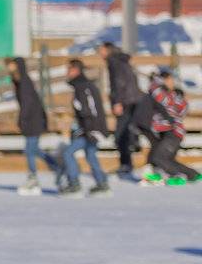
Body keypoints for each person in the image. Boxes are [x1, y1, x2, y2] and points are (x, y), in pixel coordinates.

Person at [58, 58, 110, 197]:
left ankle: (74, 185)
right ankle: (102, 184)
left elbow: (90, 110)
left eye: (69, 69)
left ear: (75, 70)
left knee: (68, 153)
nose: (67, 72)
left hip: (91, 129)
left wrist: (89, 129)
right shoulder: (81, 86)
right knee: (90, 155)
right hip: (90, 128)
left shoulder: (83, 87)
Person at [98, 41, 144, 179]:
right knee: (125, 131)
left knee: (120, 135)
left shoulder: (113, 61)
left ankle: (126, 164)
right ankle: (133, 143)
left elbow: (118, 82)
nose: (100, 53)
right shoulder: (121, 59)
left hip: (125, 101)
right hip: (133, 100)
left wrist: (117, 101)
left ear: (108, 50)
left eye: (101, 50)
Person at [145, 68, 198, 186]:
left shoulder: (169, 95)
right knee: (167, 159)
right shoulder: (168, 95)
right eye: (169, 80)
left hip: (172, 132)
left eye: (171, 80)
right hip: (168, 132)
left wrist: (155, 80)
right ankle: (193, 174)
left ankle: (177, 176)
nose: (171, 82)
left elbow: (156, 93)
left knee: (158, 158)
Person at [5, 57, 49, 195]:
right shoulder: (19, 81)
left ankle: (33, 179)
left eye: (11, 66)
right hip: (32, 119)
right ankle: (58, 167)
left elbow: (27, 103)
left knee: (30, 150)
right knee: (34, 150)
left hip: (33, 120)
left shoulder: (24, 81)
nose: (8, 68)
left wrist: (22, 119)